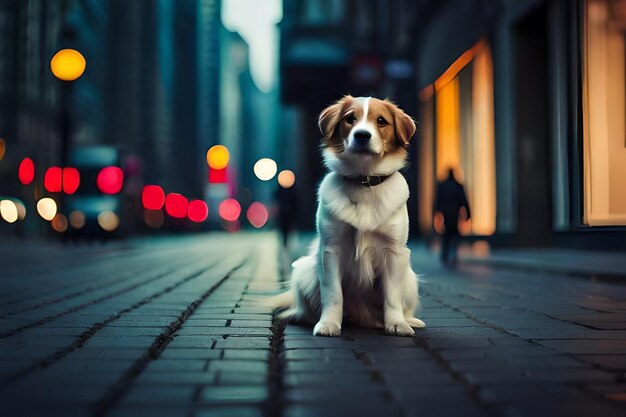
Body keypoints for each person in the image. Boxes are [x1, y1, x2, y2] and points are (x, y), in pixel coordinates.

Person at [434, 168, 471, 267]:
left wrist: (436, 213)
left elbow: (438, 201)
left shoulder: (443, 186)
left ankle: (446, 254)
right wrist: (468, 214)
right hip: (454, 214)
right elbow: (464, 200)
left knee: (447, 235)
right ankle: (452, 254)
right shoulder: (457, 185)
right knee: (453, 235)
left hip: (447, 214)